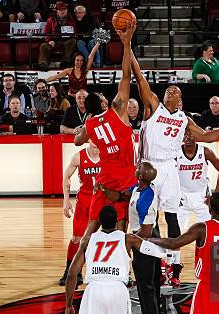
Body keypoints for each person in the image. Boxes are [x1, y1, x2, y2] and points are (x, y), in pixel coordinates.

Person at [132, 34, 219, 287]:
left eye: (173, 91)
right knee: (146, 218)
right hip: (149, 166)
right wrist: (128, 47)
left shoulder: (184, 118)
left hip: (170, 169)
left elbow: (206, 136)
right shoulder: (154, 106)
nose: (169, 91)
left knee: (172, 217)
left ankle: (174, 266)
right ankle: (149, 263)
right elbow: (140, 79)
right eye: (167, 90)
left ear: (180, 100)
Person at [97, 162, 169, 314]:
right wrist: (103, 188)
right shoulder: (137, 188)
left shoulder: (148, 196)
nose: (136, 168)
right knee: (147, 293)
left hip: (146, 244)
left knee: (148, 293)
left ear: (143, 175)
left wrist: (127, 242)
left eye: (139, 168)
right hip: (141, 242)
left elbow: (146, 230)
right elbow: (120, 196)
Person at [73, 22, 137, 237]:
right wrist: (126, 44)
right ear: (102, 104)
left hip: (105, 178)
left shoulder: (90, 125)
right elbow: (126, 76)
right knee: (121, 225)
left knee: (91, 228)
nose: (105, 98)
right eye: (102, 97)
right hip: (125, 176)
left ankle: (78, 267)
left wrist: (88, 119)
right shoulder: (117, 111)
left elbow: (77, 141)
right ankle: (121, 265)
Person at [58, 140, 100, 286]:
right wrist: (66, 199)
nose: (96, 142)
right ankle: (71, 271)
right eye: (92, 138)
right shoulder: (79, 157)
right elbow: (66, 176)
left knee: (113, 235)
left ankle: (117, 271)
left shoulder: (108, 154)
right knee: (77, 238)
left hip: (103, 200)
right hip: (85, 201)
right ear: (88, 140)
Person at [38, 1, 77, 70]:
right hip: (54, 41)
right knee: (43, 46)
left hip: (66, 40)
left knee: (72, 41)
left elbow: (74, 32)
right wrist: (49, 40)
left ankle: (65, 62)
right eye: (60, 10)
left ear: (67, 10)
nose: (63, 11)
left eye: (64, 10)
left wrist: (70, 36)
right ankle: (43, 64)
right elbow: (46, 32)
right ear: (57, 11)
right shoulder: (50, 19)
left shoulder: (72, 19)